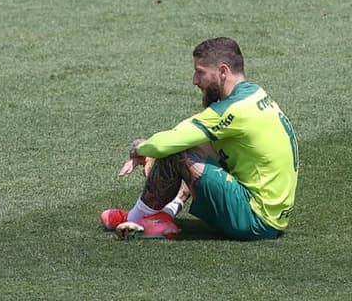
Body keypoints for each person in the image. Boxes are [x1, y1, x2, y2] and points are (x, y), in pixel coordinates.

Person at [101, 37, 298, 240]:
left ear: (223, 71)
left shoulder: (235, 110)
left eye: (200, 72)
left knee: (179, 150)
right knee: (199, 144)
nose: (195, 80)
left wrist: (138, 149)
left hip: (255, 220)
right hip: (272, 216)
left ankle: (136, 218)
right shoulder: (255, 93)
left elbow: (165, 144)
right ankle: (165, 215)